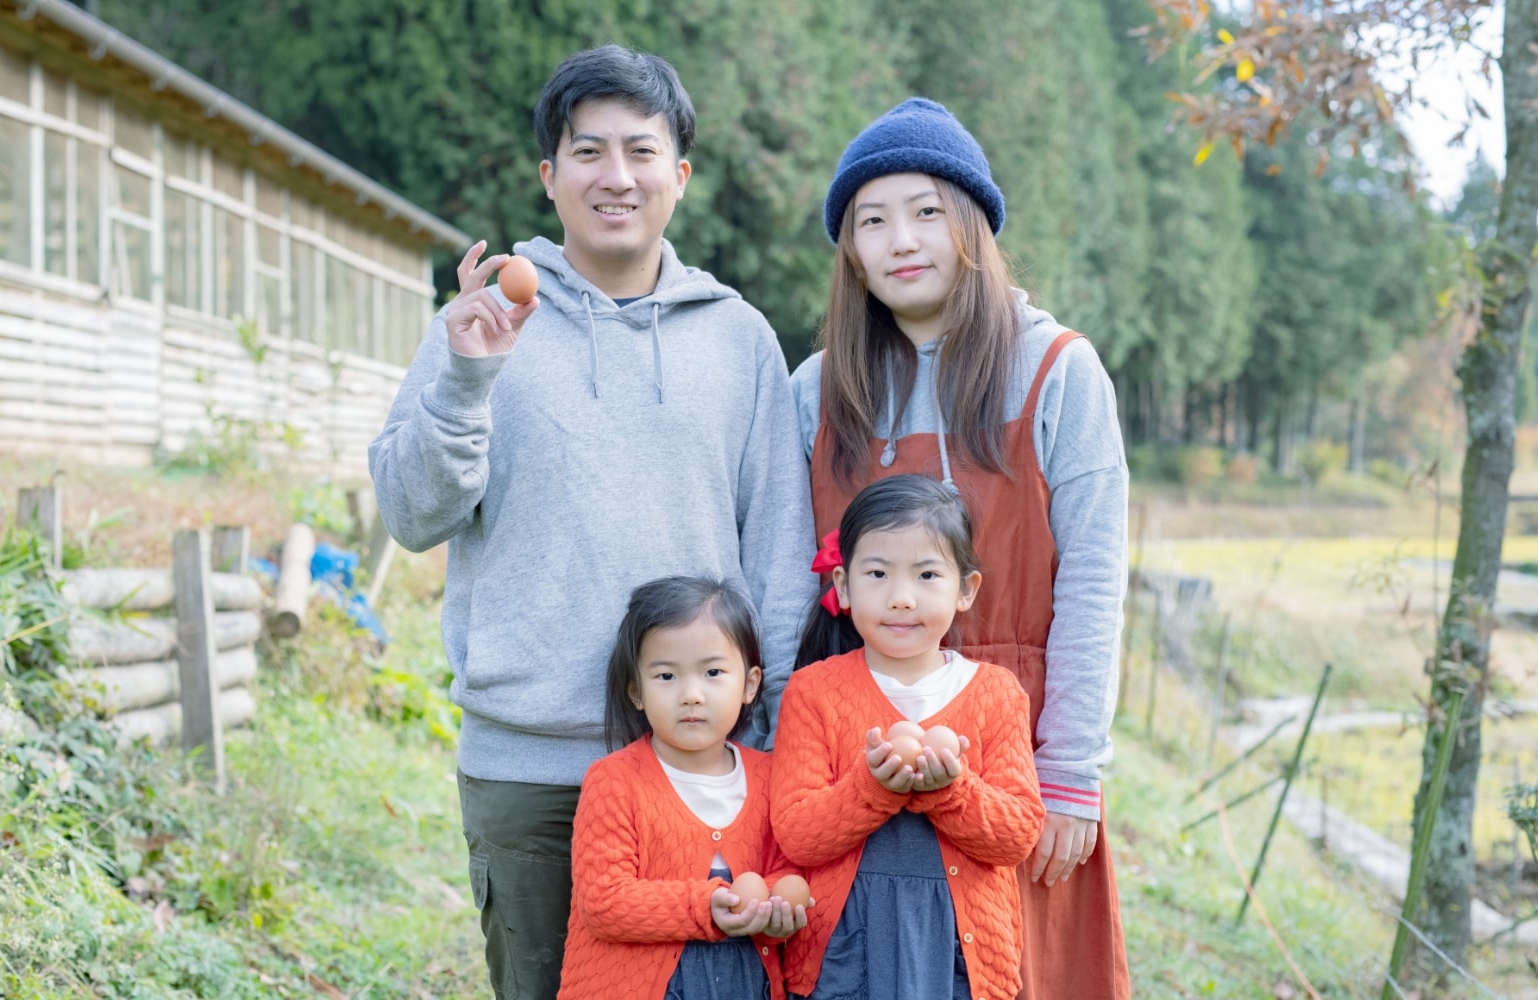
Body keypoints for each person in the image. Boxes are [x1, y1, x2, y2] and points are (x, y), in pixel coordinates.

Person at [368, 45, 815, 999]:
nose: (617, 177)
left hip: (703, 770)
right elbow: (411, 515)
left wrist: (765, 751)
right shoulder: (484, 323)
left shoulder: (738, 339)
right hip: (530, 764)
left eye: (642, 152)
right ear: (550, 175)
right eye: (589, 152)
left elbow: (779, 558)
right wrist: (465, 380)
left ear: (679, 177)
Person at [790, 97, 1132, 999]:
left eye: (927, 211)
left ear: (972, 226)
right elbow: (786, 583)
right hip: (853, 755)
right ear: (852, 256)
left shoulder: (1055, 368)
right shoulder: (819, 391)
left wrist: (1068, 775)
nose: (901, 239)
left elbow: (1095, 579)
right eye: (872, 220)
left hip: (1014, 756)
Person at [771, 474, 1045, 1000]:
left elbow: (1017, 835)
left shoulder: (995, 694)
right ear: (844, 587)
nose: (900, 598)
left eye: (926, 575)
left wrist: (951, 790)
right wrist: (871, 788)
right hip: (846, 949)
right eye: (877, 573)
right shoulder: (815, 692)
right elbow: (798, 832)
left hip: (957, 951)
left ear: (965, 589)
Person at [559, 577, 809, 1000]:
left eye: (713, 672)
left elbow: (788, 868)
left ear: (749, 685)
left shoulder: (769, 777)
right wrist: (705, 906)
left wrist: (779, 908)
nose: (691, 695)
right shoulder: (614, 781)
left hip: (744, 980)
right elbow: (603, 902)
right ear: (636, 691)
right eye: (666, 676)